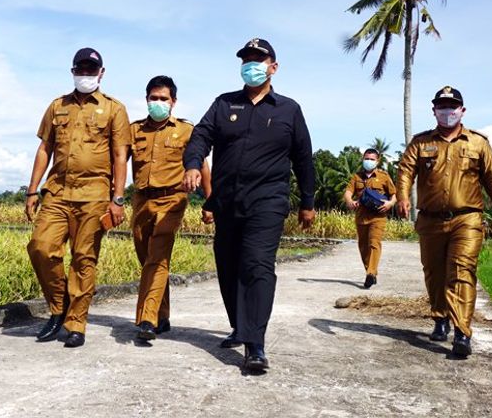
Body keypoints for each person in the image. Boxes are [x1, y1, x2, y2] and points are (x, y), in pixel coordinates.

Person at [183, 38, 316, 373]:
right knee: (228, 266)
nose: (252, 64)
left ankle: (255, 343)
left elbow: (303, 159)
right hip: (227, 201)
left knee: (256, 265)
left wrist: (308, 203)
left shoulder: (288, 109)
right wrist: (194, 163)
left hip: (267, 201)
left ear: (273, 66)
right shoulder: (224, 103)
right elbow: (200, 136)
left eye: (259, 59)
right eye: (247, 59)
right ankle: (240, 326)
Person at [395, 85, 492, 357]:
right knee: (435, 273)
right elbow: (404, 171)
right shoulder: (421, 142)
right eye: (442, 106)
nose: (447, 111)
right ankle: (440, 318)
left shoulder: (478, 143)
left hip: (468, 219)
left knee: (462, 270)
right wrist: (403, 196)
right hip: (431, 220)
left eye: (452, 106)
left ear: (462, 110)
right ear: (434, 110)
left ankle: (462, 332)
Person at [24, 47, 131, 348]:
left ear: (102, 72)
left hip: (95, 194)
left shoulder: (114, 109)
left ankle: (76, 323)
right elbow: (44, 149)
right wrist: (32, 189)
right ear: (73, 72)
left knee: (84, 258)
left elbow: (121, 155)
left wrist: (118, 198)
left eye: (91, 69)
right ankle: (59, 308)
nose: (86, 74)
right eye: (80, 69)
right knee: (41, 248)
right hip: (57, 190)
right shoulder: (57, 106)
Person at [128, 75, 213, 341]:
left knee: (157, 256)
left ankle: (146, 319)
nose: (158, 103)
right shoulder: (134, 130)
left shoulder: (187, 131)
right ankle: (162, 315)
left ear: (173, 102)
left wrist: (211, 201)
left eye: (163, 99)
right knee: (148, 260)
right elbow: (119, 161)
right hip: (141, 200)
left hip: (172, 200)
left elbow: (202, 166)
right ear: (146, 100)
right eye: (154, 98)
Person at [343, 148, 396, 289]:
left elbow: (393, 195)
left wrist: (390, 204)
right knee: (363, 246)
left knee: (374, 243)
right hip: (361, 216)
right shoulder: (356, 177)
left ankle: (370, 274)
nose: (369, 161)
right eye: (367, 158)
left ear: (377, 161)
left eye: (372, 159)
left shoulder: (384, 176)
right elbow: (348, 192)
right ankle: (371, 272)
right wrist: (349, 201)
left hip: (378, 216)